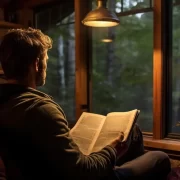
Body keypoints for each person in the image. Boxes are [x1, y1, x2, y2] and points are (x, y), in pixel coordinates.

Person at [0, 28, 170, 180]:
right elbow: (82, 171)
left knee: (133, 131)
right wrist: (111, 150)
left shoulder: (7, 103)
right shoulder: (39, 109)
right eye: (45, 60)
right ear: (37, 64)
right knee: (159, 157)